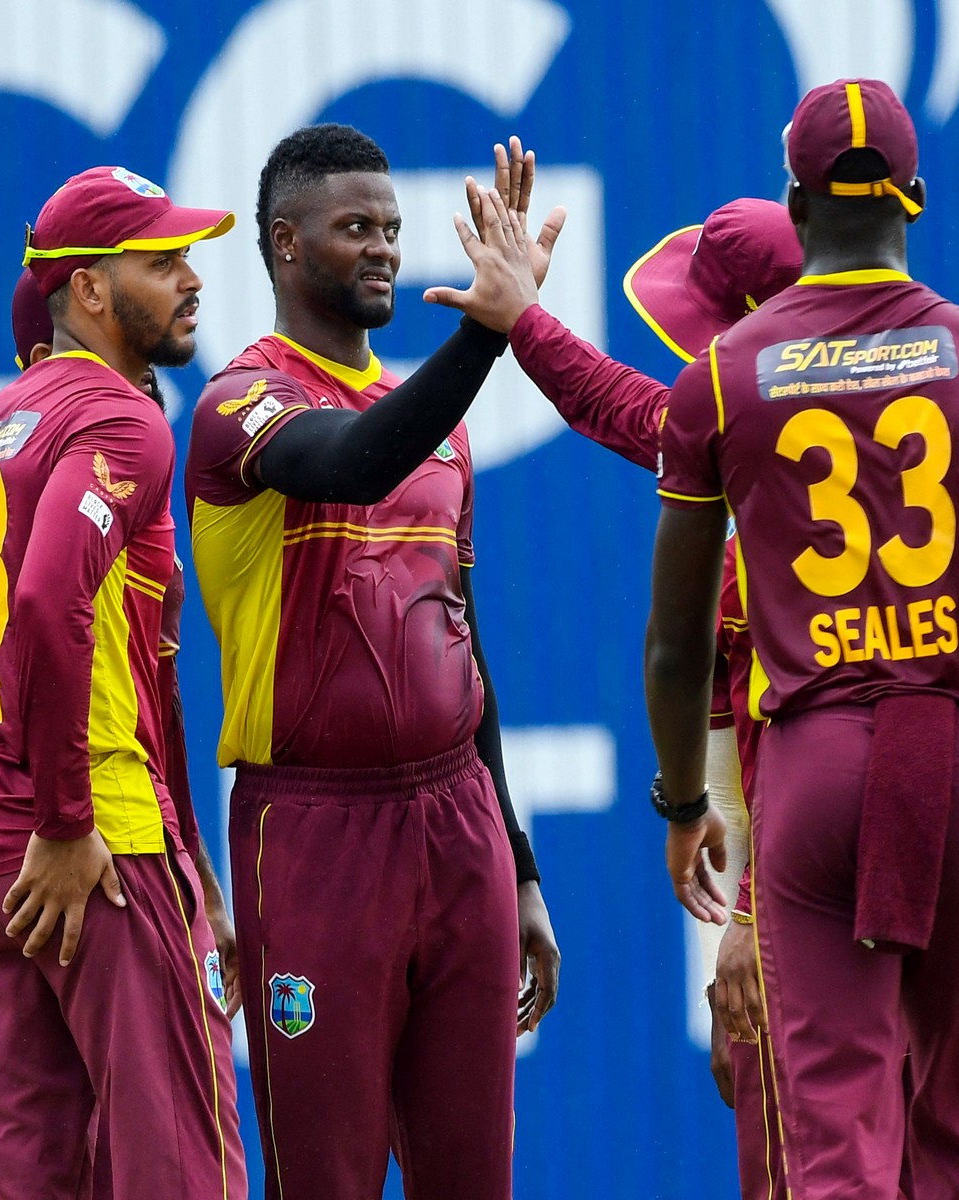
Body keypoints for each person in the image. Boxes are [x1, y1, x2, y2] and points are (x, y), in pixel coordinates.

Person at [427, 81, 959, 1197]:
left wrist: (682, 807)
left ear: (797, 195)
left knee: (830, 1144)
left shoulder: (726, 389)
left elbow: (672, 641)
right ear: (915, 198)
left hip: (815, 770)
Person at [184, 124, 560, 1200]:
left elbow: (464, 643)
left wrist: (519, 864)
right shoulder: (238, 405)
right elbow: (348, 463)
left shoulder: (437, 425)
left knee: (472, 1178)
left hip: (456, 828)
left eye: (393, 229)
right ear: (285, 246)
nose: (385, 249)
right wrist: (490, 333)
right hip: (311, 833)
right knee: (329, 1181)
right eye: (356, 229)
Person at [0, 168, 247, 1200]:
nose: (191, 281)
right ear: (90, 290)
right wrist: (60, 821)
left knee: (28, 1176)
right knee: (177, 1169)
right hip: (89, 846)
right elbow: (53, 595)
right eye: (162, 263)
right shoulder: (122, 418)